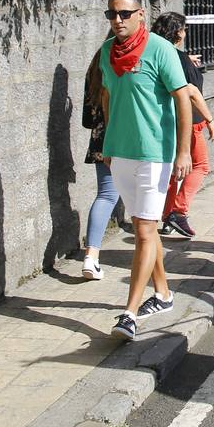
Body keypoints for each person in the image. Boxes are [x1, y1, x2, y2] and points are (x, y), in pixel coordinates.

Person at [97, 0, 193, 342]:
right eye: (111, 15)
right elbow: (108, 96)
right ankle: (164, 294)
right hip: (121, 152)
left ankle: (130, 313)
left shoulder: (160, 49)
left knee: (143, 231)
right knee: (145, 229)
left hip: (155, 153)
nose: (117, 21)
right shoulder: (107, 53)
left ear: (141, 15)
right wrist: (108, 143)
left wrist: (183, 152)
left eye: (123, 14)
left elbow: (183, 100)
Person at [150, 13, 214, 238]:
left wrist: (187, 59)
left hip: (167, 121)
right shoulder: (178, 57)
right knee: (200, 166)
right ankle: (178, 212)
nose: (185, 33)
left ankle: (167, 215)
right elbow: (191, 91)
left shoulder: (161, 54)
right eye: (184, 29)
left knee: (171, 172)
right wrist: (209, 119)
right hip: (190, 122)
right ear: (178, 32)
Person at [80, 42, 118, 281]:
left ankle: (90, 257)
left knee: (105, 194)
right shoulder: (123, 61)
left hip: (100, 136)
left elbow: (87, 118)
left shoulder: (96, 63)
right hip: (123, 137)